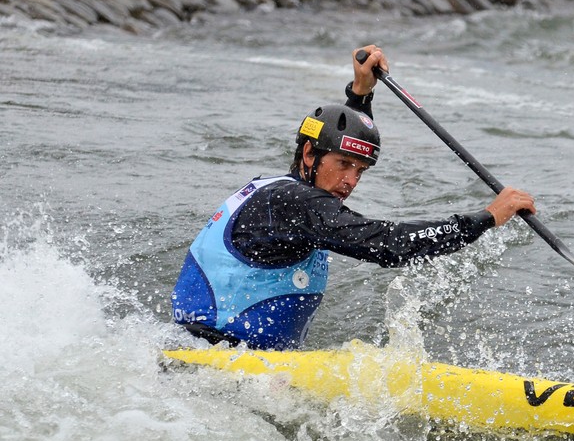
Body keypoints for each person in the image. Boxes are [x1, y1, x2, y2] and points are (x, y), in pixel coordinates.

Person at [171, 45, 537, 350]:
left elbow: (344, 145)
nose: (350, 181)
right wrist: (487, 218)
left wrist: (360, 93)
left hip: (216, 354)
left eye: (360, 171)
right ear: (310, 155)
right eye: (344, 165)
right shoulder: (296, 202)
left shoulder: (281, 192)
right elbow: (391, 245)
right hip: (213, 364)